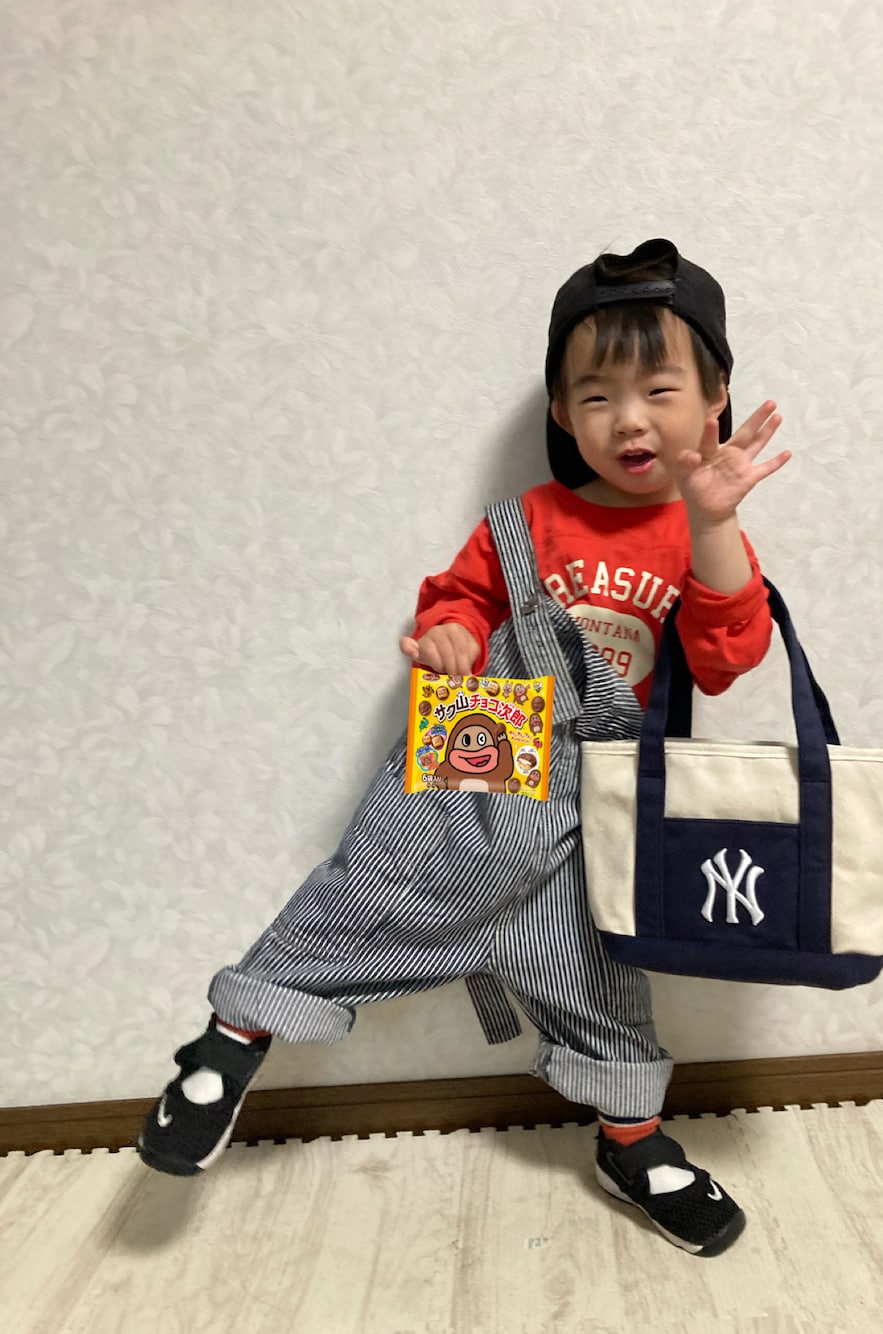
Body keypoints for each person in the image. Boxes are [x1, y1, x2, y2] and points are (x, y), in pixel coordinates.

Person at [139, 237, 790, 1257]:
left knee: (600, 970)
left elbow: (725, 657)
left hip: (607, 785)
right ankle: (230, 1041)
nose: (628, 419)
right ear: (561, 412)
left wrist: (715, 524)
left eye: (659, 390)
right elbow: (459, 600)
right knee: (377, 880)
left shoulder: (702, 535)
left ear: (714, 402)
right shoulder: (525, 520)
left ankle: (631, 1140)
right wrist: (447, 634)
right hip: (492, 738)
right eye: (596, 396)